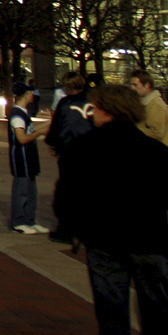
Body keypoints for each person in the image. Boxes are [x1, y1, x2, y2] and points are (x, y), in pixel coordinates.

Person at [57, 82, 168, 335]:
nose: (92, 113)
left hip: (105, 245)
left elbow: (66, 200)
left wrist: (77, 227)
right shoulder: (158, 154)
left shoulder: (82, 150)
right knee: (158, 320)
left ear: (107, 110)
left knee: (114, 323)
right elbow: (166, 201)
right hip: (151, 244)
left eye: (95, 108)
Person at [44, 71, 96, 243]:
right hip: (91, 153)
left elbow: (58, 126)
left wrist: (54, 144)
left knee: (66, 191)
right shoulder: (94, 102)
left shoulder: (66, 103)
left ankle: (66, 230)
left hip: (70, 152)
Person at [7, 84, 46, 233]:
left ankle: (30, 221)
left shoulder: (23, 112)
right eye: (32, 93)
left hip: (29, 158)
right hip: (21, 159)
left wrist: (50, 124)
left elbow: (32, 129)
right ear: (27, 95)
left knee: (31, 192)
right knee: (21, 191)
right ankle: (18, 223)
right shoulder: (17, 115)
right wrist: (39, 133)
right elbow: (22, 138)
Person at [131, 69, 168, 147]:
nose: (132, 88)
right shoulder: (146, 102)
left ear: (147, 85)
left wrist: (133, 131)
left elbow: (157, 133)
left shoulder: (156, 105)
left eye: (135, 85)